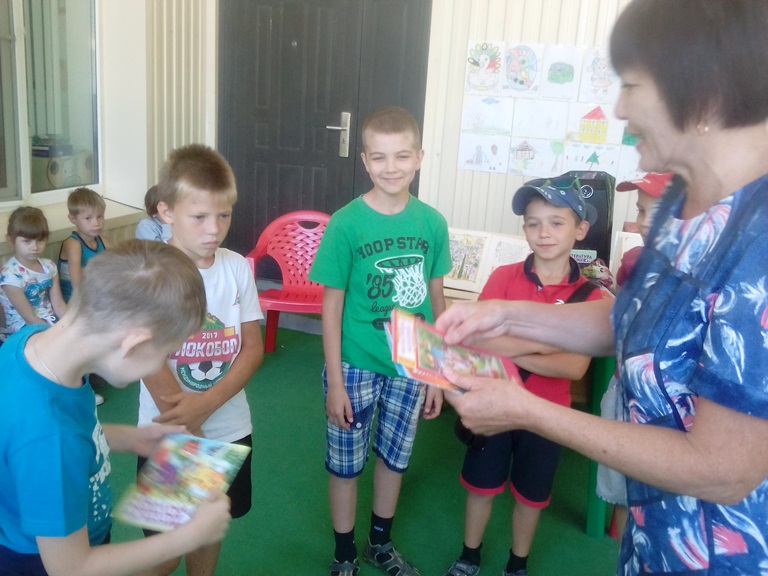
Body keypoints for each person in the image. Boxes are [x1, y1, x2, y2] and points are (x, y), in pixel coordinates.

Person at [435, 2, 768, 574]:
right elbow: (631, 319)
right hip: (653, 531)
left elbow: (723, 469)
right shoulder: (678, 202)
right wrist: (504, 315)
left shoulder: (757, 245)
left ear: (705, 91)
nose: (618, 107)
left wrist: (530, 412)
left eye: (632, 85)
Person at [0, 239, 232, 576]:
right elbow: (72, 568)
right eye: (164, 354)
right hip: (41, 562)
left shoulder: (33, 343)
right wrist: (189, 536)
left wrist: (128, 437)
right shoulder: (51, 436)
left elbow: (33, 442)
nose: (161, 366)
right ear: (133, 345)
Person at [309, 106, 452, 576]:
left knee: (395, 458)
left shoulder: (432, 223)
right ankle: (344, 552)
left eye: (402, 156)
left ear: (420, 158)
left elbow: (435, 298)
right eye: (380, 157)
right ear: (365, 161)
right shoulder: (346, 223)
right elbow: (331, 306)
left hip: (412, 364)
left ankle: (380, 544)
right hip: (354, 364)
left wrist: (437, 373)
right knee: (345, 464)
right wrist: (335, 382)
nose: (392, 167)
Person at [443, 178, 609, 576]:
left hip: (547, 414)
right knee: (480, 487)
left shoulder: (591, 296)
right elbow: (480, 342)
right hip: (493, 404)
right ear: (524, 229)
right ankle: (469, 556)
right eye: (534, 223)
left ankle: (517, 564)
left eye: (556, 223)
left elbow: (574, 367)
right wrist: (547, 346)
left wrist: (510, 344)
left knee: (531, 496)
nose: (544, 232)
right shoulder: (503, 277)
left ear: (580, 229)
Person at [137, 143, 264, 576]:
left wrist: (205, 406)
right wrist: (190, 423)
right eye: (199, 217)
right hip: (169, 432)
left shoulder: (236, 268)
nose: (214, 229)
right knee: (165, 550)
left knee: (209, 529)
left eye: (224, 215)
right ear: (166, 211)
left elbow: (252, 347)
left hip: (229, 428)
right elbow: (147, 357)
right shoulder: (149, 273)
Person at [596, 171, 670, 539]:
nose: (642, 222)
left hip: (666, 410)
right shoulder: (635, 260)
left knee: (658, 498)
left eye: (654, 213)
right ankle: (618, 540)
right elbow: (621, 315)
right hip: (625, 388)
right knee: (622, 488)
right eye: (640, 210)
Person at [0, 207, 66, 336]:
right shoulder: (9, 275)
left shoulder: (49, 267)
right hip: (23, 329)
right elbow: (29, 318)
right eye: (27, 241)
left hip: (50, 321)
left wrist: (70, 325)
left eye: (40, 240)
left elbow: (59, 305)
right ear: (11, 240)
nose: (35, 247)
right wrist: (56, 333)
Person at [612, 172, 671, 288]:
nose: (645, 223)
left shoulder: (701, 274)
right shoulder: (631, 262)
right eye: (641, 210)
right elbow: (620, 298)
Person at [58, 187, 111, 302]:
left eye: (100, 216)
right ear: (73, 219)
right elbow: (77, 285)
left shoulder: (104, 241)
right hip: (75, 301)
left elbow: (116, 269)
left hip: (97, 295)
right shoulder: (73, 244)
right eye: (88, 218)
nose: (96, 223)